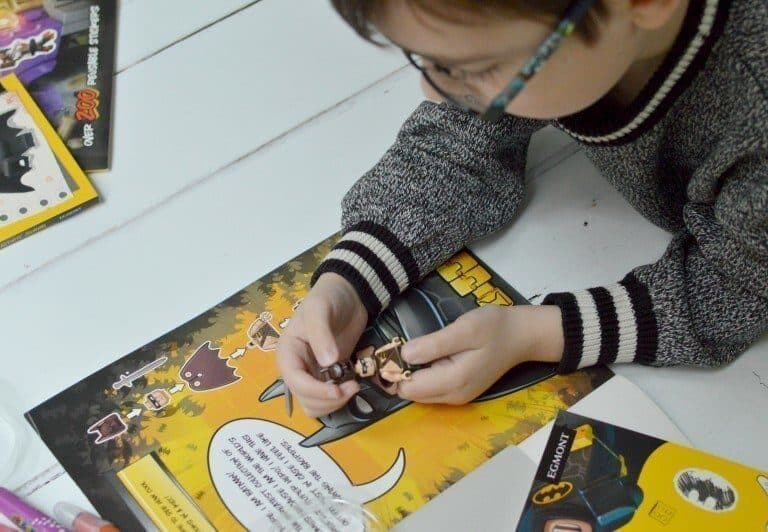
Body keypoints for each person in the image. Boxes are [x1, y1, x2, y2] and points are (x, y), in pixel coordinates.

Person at [277, 0, 768, 418]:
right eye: (421, 58)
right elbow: (457, 143)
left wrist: (537, 335)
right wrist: (350, 282)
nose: (432, 91)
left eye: (474, 66)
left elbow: (741, 286)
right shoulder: (546, 34)